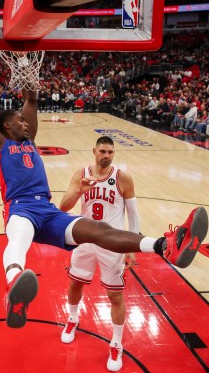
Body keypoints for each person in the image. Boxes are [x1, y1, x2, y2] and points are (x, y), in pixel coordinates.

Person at [0, 50, 208, 329]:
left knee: (100, 231)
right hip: (20, 209)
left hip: (48, 212)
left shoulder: (30, 140)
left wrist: (25, 60)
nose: (25, 122)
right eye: (19, 119)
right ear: (5, 124)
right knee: (17, 243)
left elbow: (31, 98)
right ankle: (13, 284)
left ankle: (164, 245)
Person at [58, 136, 138, 372]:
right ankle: (72, 319)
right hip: (84, 239)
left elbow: (133, 215)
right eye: (102, 151)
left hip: (111, 243)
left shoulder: (122, 177)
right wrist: (79, 191)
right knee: (75, 284)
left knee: (115, 296)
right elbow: (63, 207)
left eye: (110, 152)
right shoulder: (80, 173)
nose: (106, 155)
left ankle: (116, 343)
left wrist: (132, 246)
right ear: (94, 151)